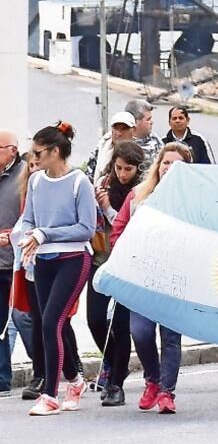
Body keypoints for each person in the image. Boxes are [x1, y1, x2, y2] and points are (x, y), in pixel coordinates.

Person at [20, 122, 97, 416]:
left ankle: (50, 395)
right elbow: (28, 218)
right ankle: (75, 381)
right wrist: (29, 236)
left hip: (74, 260)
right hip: (43, 260)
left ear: (55, 151)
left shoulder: (80, 182)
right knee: (55, 323)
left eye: (39, 152)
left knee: (51, 321)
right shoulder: (37, 181)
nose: (34, 158)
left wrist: (45, 234)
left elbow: (86, 229)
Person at [110, 143, 191, 415]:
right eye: (166, 162)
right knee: (141, 332)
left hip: (175, 278)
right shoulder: (138, 197)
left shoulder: (193, 201)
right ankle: (152, 379)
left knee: (170, 338)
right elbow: (117, 232)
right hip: (142, 277)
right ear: (158, 165)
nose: (170, 168)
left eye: (177, 164)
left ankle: (167, 392)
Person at [88, 140, 145, 407]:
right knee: (96, 320)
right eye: (119, 168)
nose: (123, 174)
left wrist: (109, 207)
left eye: (128, 169)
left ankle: (116, 384)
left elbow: (130, 229)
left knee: (121, 326)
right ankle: (111, 361)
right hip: (100, 260)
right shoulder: (103, 184)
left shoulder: (141, 192)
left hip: (127, 265)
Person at [0, 130, 26, 395]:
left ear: (12, 151)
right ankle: (2, 378)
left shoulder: (24, 177)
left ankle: (46, 370)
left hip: (17, 261)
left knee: (25, 319)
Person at [84, 111, 136, 184]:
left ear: (133, 130)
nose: (119, 133)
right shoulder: (101, 148)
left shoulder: (139, 153)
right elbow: (89, 175)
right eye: (116, 128)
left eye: (124, 129)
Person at [124, 99, 164, 173]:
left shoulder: (155, 139)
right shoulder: (120, 142)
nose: (152, 122)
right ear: (135, 122)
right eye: (148, 119)